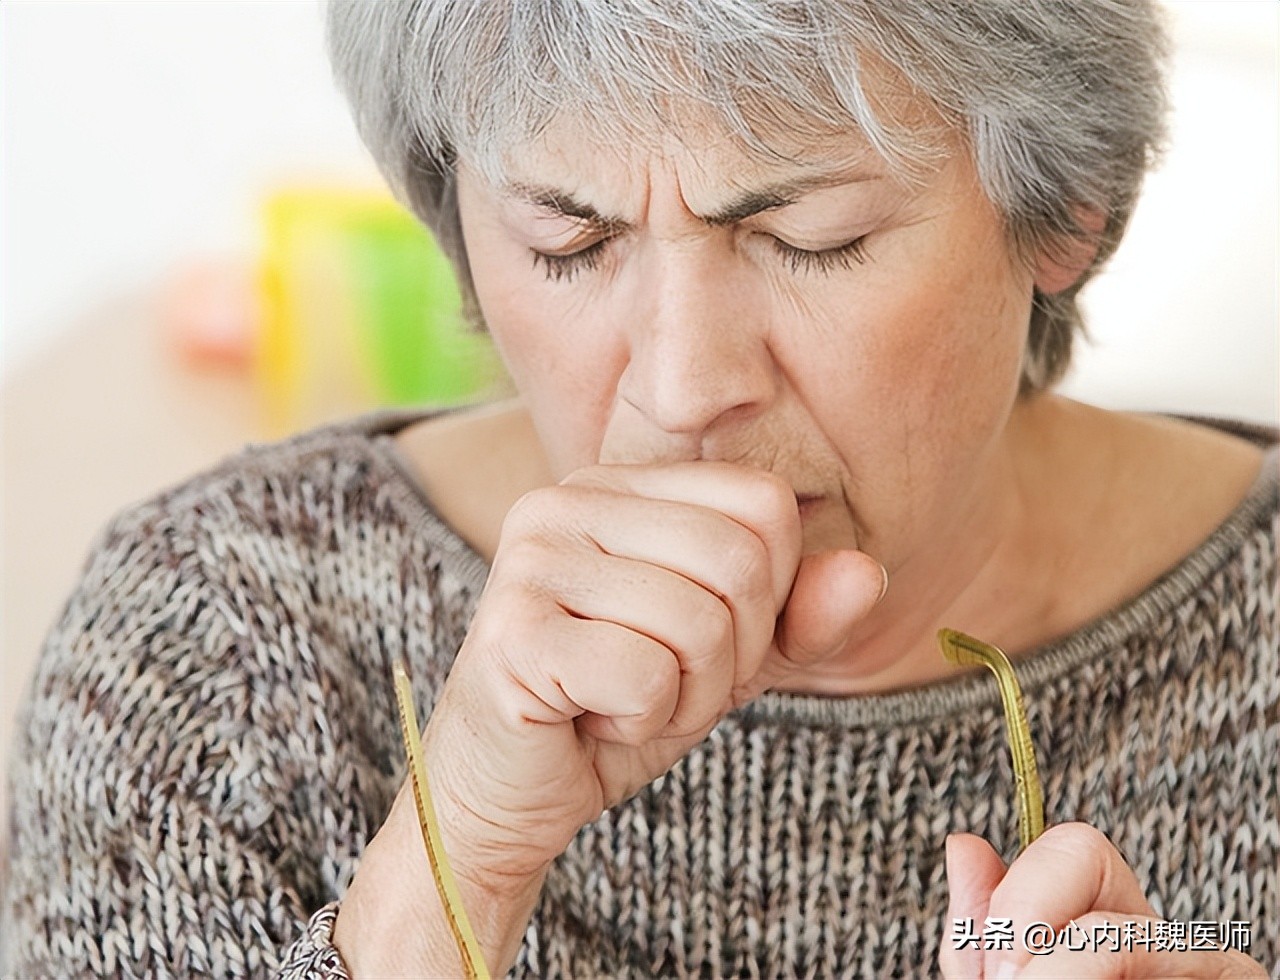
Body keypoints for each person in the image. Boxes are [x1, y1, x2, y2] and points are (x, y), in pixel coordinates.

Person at [2, 0, 1275, 977]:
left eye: (807, 239)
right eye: (571, 242)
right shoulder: (215, 650)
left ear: (1064, 210)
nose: (679, 384)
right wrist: (455, 868)